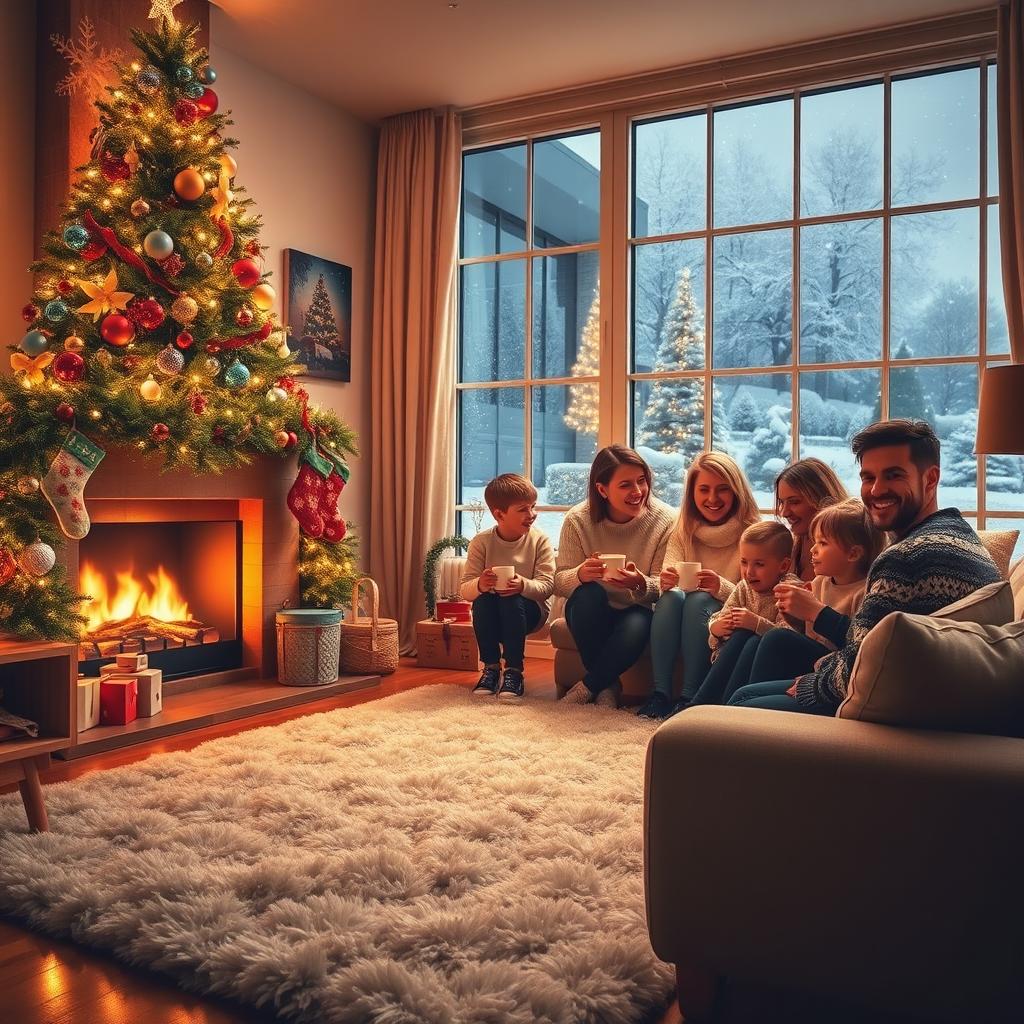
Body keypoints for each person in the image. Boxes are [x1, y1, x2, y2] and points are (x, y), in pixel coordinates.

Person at [729, 419, 1001, 716]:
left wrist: (814, 682)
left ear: (930, 479)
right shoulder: (960, 534)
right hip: (920, 696)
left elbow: (866, 661)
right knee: (747, 690)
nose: (876, 490)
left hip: (894, 711)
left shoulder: (905, 558)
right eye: (868, 477)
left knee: (741, 705)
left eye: (893, 475)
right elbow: (871, 641)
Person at [637, 452, 761, 721]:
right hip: (683, 608)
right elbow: (666, 577)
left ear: (736, 491)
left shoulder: (752, 531)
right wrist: (665, 582)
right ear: (692, 493)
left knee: (698, 600)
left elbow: (757, 595)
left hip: (728, 613)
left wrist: (721, 587)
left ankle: (690, 697)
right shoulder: (683, 530)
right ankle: (660, 694)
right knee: (670, 597)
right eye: (704, 490)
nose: (712, 499)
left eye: (722, 490)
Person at [554, 445, 675, 709]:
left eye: (641, 481)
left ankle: (591, 685)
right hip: (591, 607)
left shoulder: (665, 520)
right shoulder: (578, 520)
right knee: (588, 595)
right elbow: (560, 581)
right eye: (625, 485)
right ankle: (607, 684)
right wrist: (580, 574)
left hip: (636, 607)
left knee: (638, 623)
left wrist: (640, 583)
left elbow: (662, 584)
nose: (638, 492)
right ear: (602, 490)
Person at [750, 497, 885, 685]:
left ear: (853, 554)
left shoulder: (863, 593)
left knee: (776, 638)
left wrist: (812, 610)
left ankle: (741, 707)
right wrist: (794, 616)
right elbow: (809, 636)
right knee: (751, 641)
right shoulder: (821, 582)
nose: (813, 549)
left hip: (834, 669)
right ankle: (719, 704)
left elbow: (856, 647)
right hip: (813, 659)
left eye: (823, 543)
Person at [672, 520, 803, 711]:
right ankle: (703, 704)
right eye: (744, 562)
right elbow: (719, 617)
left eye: (759, 564)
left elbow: (788, 636)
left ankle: (714, 706)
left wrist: (756, 624)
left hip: (768, 667)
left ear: (783, 566)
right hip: (732, 659)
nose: (749, 572)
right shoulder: (744, 587)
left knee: (747, 636)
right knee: (742, 634)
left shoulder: (789, 589)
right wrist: (716, 628)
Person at [460, 474, 554, 702]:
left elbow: (548, 586)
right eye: (523, 509)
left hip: (532, 611)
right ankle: (491, 667)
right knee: (483, 599)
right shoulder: (481, 542)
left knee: (511, 599)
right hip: (493, 613)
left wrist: (522, 585)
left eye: (532, 507)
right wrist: (481, 584)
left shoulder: (539, 540)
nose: (531, 515)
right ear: (499, 514)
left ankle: (514, 671)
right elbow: (465, 590)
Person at [775, 458, 849, 581]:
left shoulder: (847, 554)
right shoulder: (787, 548)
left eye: (794, 502)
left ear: (823, 498)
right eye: (782, 502)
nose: (784, 513)